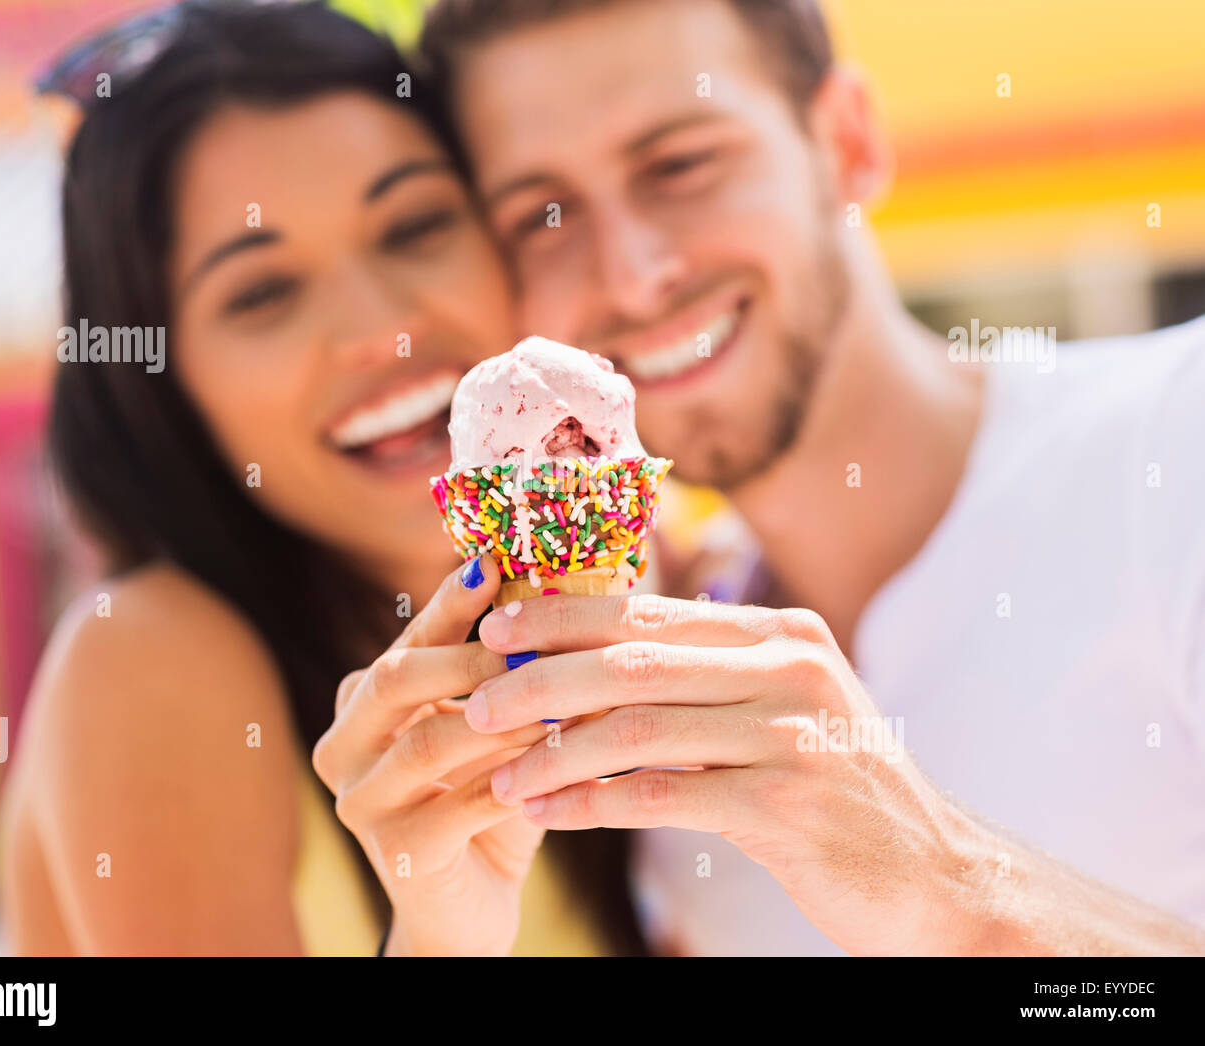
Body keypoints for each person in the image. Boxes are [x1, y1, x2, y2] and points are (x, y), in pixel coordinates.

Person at [415, 0, 1205, 954]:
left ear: (847, 143)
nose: (631, 275)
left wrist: (950, 889)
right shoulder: (642, 707)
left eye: (680, 164)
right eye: (541, 216)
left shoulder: (1178, 438)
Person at [0, 0, 647, 957]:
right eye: (262, 291)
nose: (381, 330)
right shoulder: (147, 656)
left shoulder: (641, 590)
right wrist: (439, 938)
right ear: (163, 386)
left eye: (414, 226)